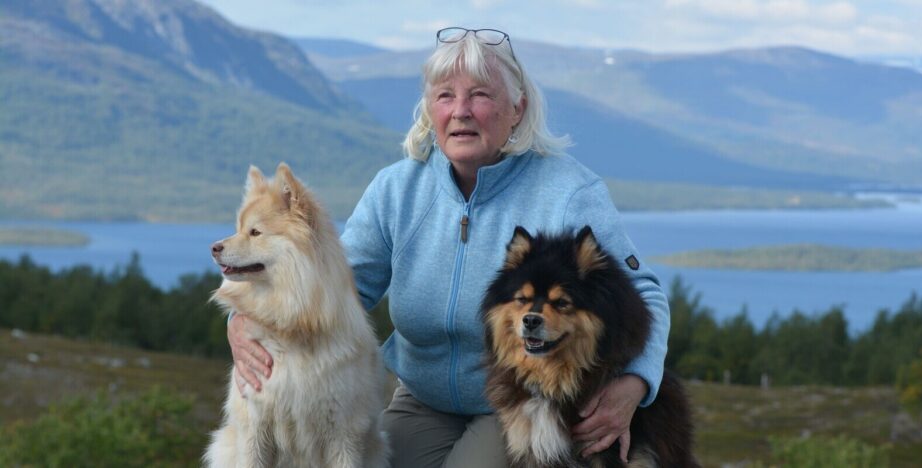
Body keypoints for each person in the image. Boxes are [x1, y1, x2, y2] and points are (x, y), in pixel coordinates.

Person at [227, 27, 671, 467]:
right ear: (429, 110)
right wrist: (243, 321)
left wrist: (637, 382)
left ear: (517, 109)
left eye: (480, 95)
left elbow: (644, 293)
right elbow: (331, 290)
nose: (461, 111)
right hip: (422, 399)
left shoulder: (568, 191)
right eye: (445, 96)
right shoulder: (396, 189)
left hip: (522, 402)